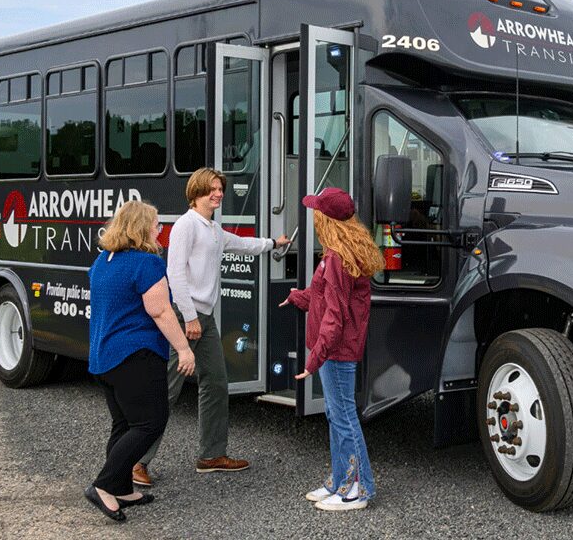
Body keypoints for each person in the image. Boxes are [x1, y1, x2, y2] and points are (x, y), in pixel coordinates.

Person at [133, 168, 288, 486]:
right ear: (196, 193)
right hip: (183, 318)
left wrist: (274, 242)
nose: (217, 193)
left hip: (204, 320)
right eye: (211, 189)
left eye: (219, 189)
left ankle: (211, 455)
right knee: (167, 389)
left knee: (216, 384)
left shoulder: (213, 229)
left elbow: (243, 244)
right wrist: (189, 317)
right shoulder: (185, 227)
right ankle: (136, 460)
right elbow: (174, 274)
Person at [85, 200, 196, 522]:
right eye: (156, 223)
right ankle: (104, 486)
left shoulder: (103, 260)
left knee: (124, 424)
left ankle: (120, 488)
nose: (160, 229)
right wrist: (184, 349)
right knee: (150, 422)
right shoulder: (145, 264)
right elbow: (160, 311)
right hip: (135, 356)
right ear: (141, 228)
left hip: (103, 358)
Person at [281, 187, 384, 511]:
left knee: (344, 419)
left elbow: (335, 316)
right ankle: (342, 481)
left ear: (326, 219)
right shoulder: (340, 254)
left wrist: (314, 359)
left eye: (316, 211)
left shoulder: (338, 259)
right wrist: (299, 297)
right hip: (337, 349)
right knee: (336, 415)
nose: (313, 216)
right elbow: (324, 297)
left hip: (337, 351)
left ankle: (358, 490)